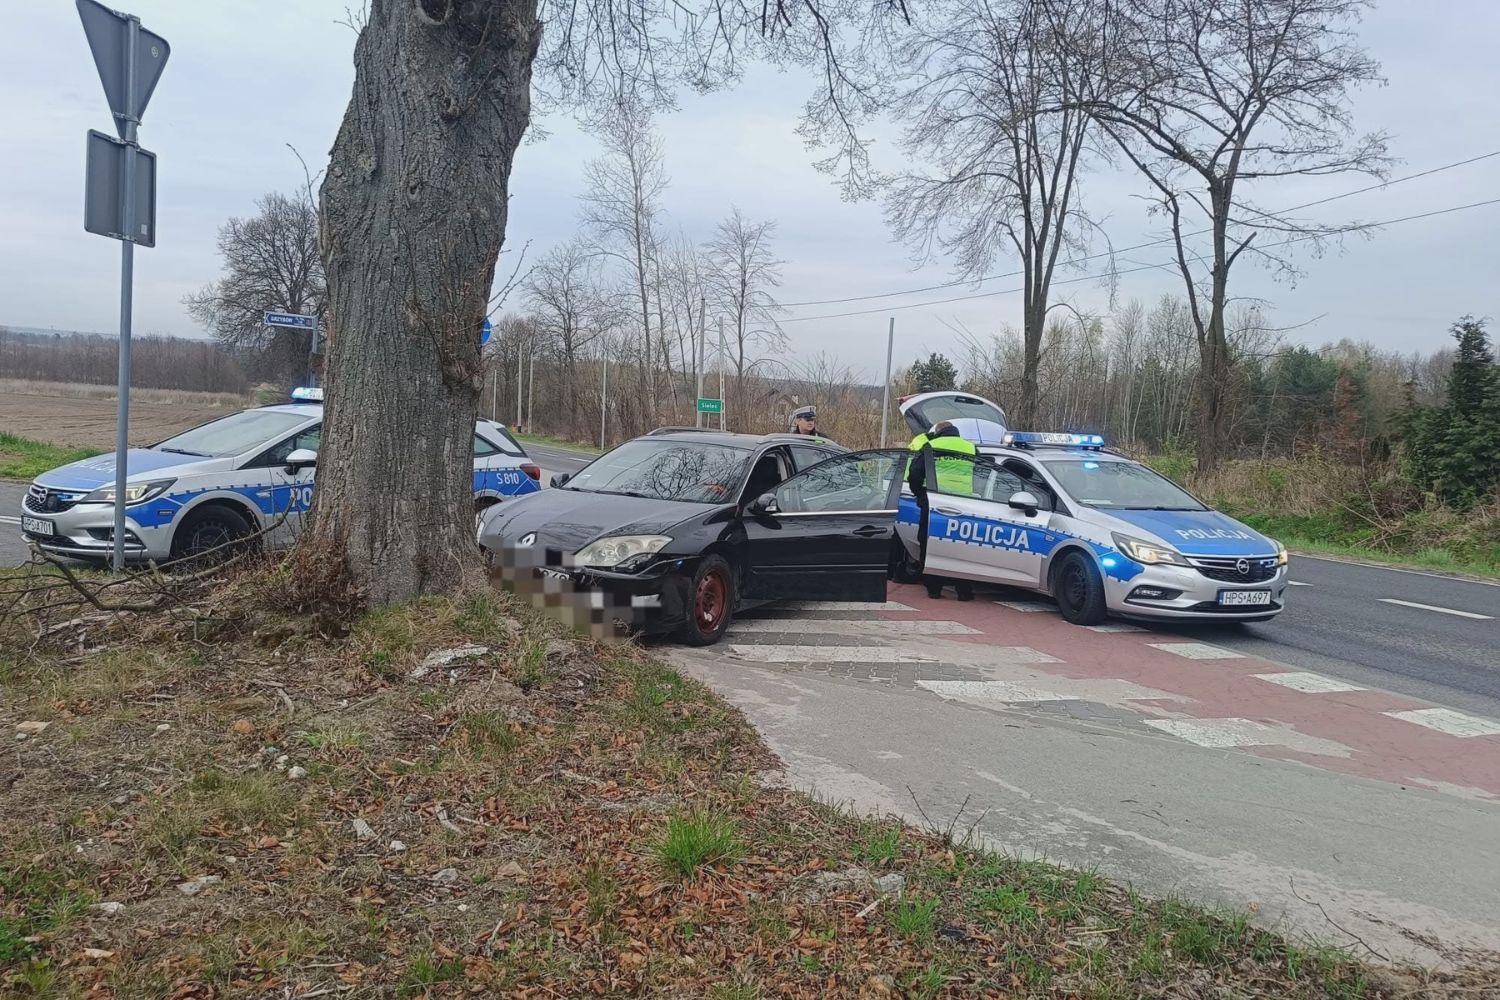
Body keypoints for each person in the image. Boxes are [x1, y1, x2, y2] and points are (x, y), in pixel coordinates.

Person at [907, 421, 978, 601]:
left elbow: (914, 473)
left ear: (938, 433)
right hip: (965, 504)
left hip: (934, 504)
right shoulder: (970, 448)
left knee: (930, 543)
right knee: (961, 547)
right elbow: (982, 475)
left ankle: (933, 588)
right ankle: (964, 590)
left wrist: (919, 494)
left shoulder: (931, 446)